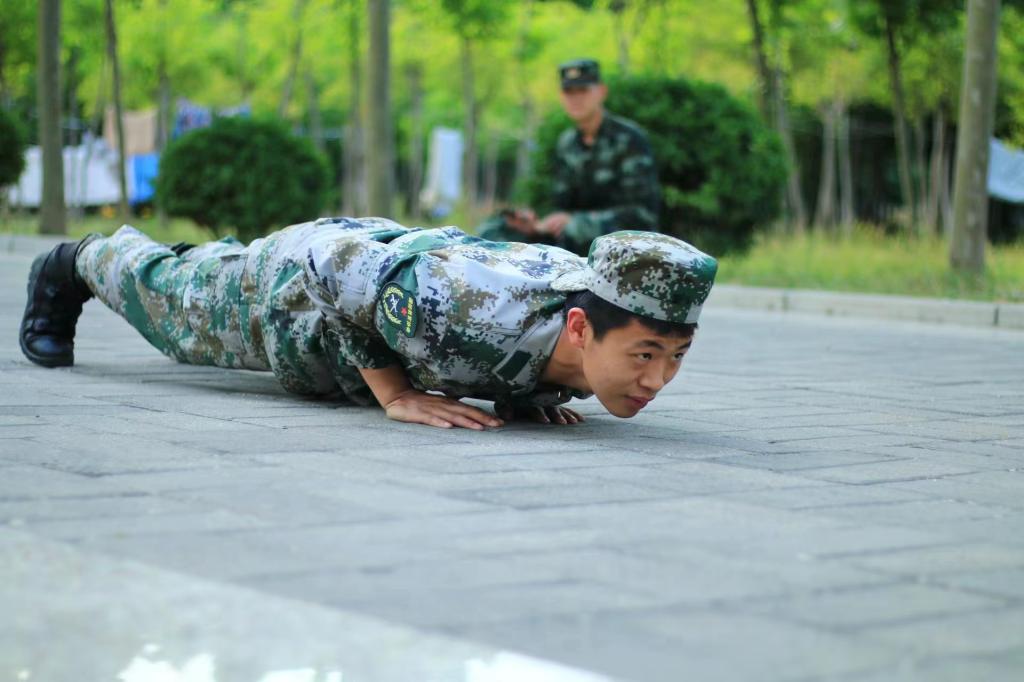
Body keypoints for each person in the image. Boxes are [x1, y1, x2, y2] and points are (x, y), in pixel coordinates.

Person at [19, 217, 716, 430]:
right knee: (170, 309)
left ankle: (196, 260)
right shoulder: (463, 307)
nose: (658, 378)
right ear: (582, 329)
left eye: (677, 355)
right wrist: (394, 393)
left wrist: (527, 393)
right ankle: (75, 260)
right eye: (645, 354)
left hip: (380, 274)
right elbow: (328, 267)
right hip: (295, 294)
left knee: (196, 275)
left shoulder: (588, 318)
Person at [479, 58, 661, 255]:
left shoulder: (630, 139)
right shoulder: (567, 143)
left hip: (624, 251)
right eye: (569, 92)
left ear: (601, 92)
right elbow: (562, 206)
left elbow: (642, 217)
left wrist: (574, 223)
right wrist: (535, 225)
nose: (576, 99)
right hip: (575, 248)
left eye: (583, 90)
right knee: (495, 230)